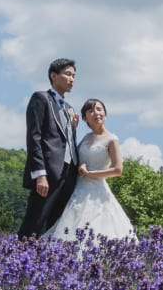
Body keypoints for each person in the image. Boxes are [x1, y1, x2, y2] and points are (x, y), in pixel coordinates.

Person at [44, 97, 136, 243]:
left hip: (98, 192)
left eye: (99, 109)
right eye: (91, 110)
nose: (96, 113)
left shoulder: (111, 139)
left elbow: (118, 169)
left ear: (105, 114)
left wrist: (90, 174)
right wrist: (72, 129)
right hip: (79, 191)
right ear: (85, 118)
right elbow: (73, 156)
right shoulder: (86, 137)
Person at [18, 58, 80, 237]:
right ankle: (20, 261)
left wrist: (73, 129)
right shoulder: (40, 98)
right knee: (33, 225)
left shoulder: (69, 108)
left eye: (74, 76)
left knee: (57, 227)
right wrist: (40, 174)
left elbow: (66, 142)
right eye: (68, 74)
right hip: (48, 175)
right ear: (54, 76)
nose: (72, 79)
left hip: (69, 175)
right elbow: (34, 137)